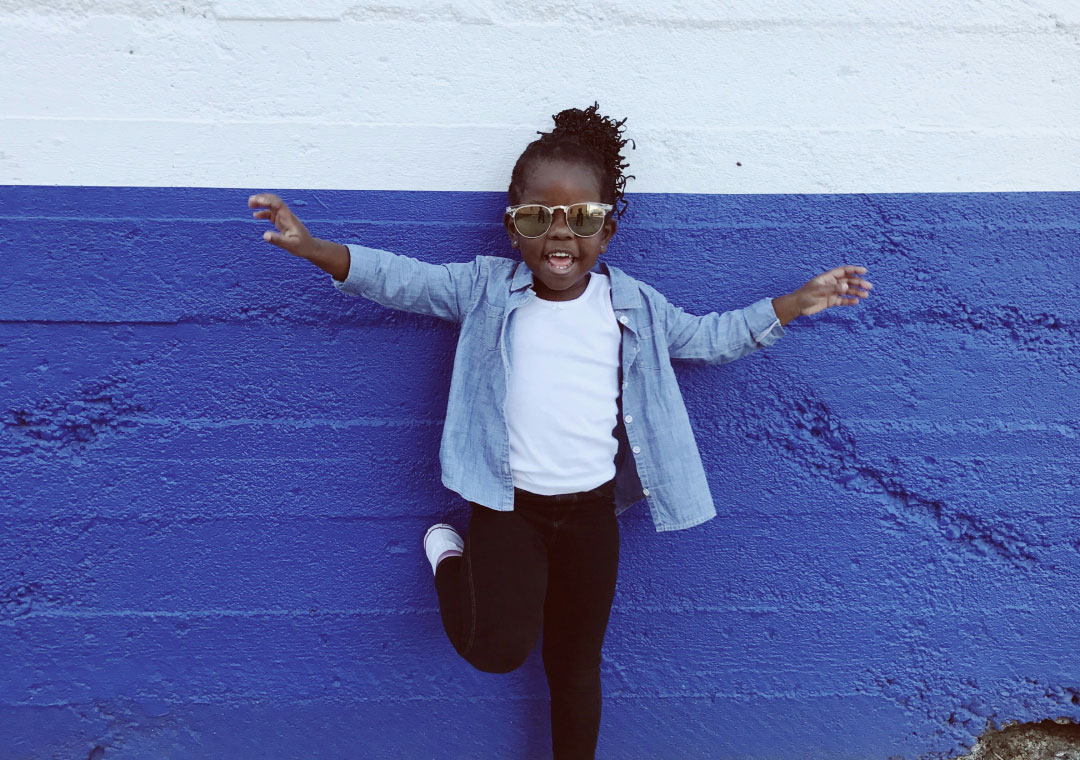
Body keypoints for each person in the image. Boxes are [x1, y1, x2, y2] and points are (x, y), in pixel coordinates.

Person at [248, 102, 872, 759]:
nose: (560, 235)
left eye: (583, 219)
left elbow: (709, 338)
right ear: (512, 226)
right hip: (508, 509)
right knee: (495, 649)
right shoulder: (484, 289)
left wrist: (793, 304)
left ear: (609, 229)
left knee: (575, 667)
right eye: (537, 217)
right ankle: (449, 557)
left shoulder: (634, 305)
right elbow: (401, 280)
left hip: (591, 516)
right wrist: (314, 249)